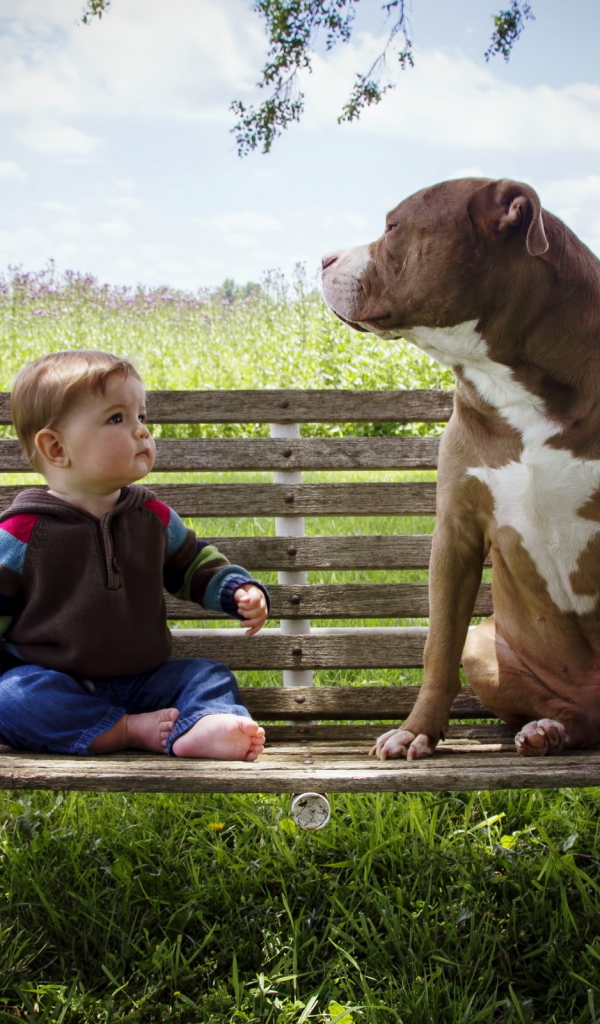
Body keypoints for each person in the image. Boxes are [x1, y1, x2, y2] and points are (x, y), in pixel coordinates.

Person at [0, 350, 269, 761]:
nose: (141, 431)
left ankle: (205, 724)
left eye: (141, 416)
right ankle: (124, 729)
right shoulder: (21, 533)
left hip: (147, 681)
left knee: (206, 675)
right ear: (56, 447)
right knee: (13, 696)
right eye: (117, 418)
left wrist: (235, 590)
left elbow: (192, 563)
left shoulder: (152, 517)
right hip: (56, 681)